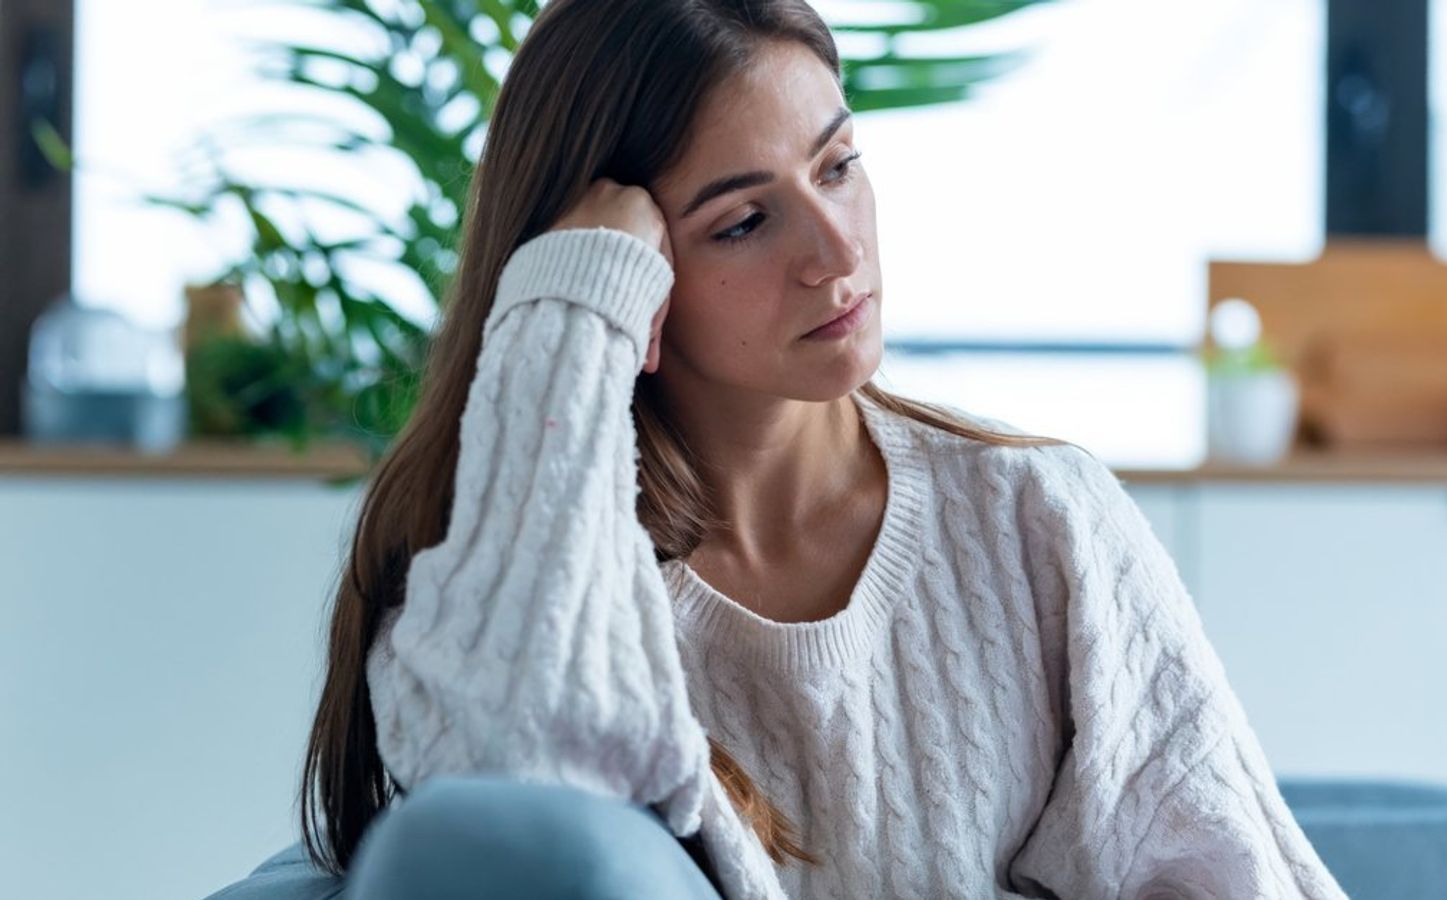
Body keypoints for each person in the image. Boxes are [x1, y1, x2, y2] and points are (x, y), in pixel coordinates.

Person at [207, 1, 1350, 898]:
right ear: (631, 274)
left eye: (840, 165)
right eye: (744, 222)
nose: (835, 247)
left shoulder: (1037, 516)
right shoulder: (534, 576)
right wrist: (564, 315)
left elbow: (1239, 874)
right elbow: (517, 820)